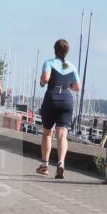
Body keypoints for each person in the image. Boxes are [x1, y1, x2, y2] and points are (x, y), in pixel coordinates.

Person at [36, 39, 81, 179]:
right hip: (67, 99)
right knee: (62, 135)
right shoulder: (71, 66)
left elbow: (45, 78)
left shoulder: (49, 63)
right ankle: (61, 163)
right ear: (67, 51)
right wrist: (68, 87)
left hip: (52, 98)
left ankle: (44, 165)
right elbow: (77, 87)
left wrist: (42, 82)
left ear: (54, 50)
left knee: (47, 133)